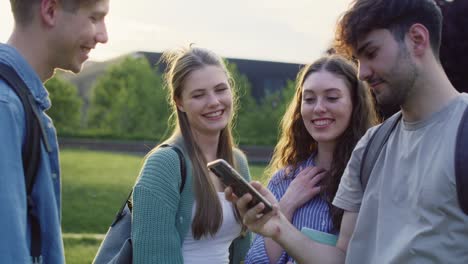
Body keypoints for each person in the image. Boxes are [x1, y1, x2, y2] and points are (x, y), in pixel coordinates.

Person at [227, 0, 468, 263]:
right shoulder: (371, 146)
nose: (362, 73)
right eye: (358, 59)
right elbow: (343, 257)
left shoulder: (461, 129)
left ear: (417, 39)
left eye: (371, 53)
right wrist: (278, 227)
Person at [0, 0, 109, 263]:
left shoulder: (21, 104)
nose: (104, 36)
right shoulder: (6, 108)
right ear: (50, 10)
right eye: (94, 18)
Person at [244, 55, 378, 264]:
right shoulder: (284, 180)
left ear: (355, 104)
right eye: (309, 99)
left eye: (332, 98)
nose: (318, 108)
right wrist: (286, 205)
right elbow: (257, 262)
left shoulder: (373, 177)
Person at [131, 47, 251, 264]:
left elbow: (245, 253)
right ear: (179, 101)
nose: (214, 101)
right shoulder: (164, 164)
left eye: (220, 89)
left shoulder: (237, 162)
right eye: (199, 94)